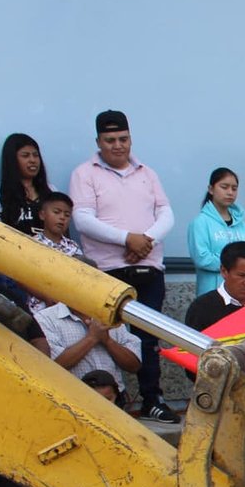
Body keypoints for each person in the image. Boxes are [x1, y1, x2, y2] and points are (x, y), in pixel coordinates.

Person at [68, 110, 177, 422]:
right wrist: (126, 239)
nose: (118, 145)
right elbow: (84, 220)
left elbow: (166, 214)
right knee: (107, 336)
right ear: (99, 141)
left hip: (149, 267)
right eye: (110, 140)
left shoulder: (147, 173)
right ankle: (113, 399)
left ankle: (152, 399)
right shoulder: (84, 173)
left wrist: (145, 240)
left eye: (123, 139)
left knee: (148, 337)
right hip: (106, 270)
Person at [35, 286, 143, 487]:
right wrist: (92, 338)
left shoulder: (115, 318)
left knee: (117, 485)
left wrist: (106, 338)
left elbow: (134, 363)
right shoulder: (48, 318)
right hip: (69, 409)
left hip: (113, 411)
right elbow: (51, 364)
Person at [186, 167, 245, 297]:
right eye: (224, 187)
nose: (230, 192)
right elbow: (202, 258)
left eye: (234, 189)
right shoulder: (200, 223)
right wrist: (238, 264)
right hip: (212, 293)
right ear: (211, 189)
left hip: (242, 295)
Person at [0, 133, 51, 235]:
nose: (33, 160)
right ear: (12, 160)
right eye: (25, 156)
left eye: (36, 155)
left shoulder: (51, 191)